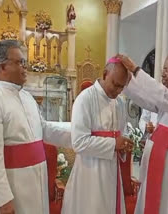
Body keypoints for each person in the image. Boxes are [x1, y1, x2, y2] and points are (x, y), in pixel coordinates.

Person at [0, 40, 71, 214]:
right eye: (20, 62)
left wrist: (78, 136)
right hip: (15, 185)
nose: (25, 67)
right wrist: (4, 199)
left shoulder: (27, 97)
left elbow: (44, 130)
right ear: (3, 66)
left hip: (37, 180)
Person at [118, 51, 168, 214]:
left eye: (167, 69)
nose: (163, 74)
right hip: (160, 158)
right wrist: (127, 83)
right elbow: (146, 100)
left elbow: (162, 95)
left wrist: (136, 70)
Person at [62, 57, 134, 214]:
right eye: (115, 85)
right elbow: (79, 142)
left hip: (112, 172)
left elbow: (122, 134)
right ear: (104, 74)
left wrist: (124, 145)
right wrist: (114, 144)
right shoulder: (85, 99)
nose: (118, 91)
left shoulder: (120, 103)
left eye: (122, 87)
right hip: (90, 173)